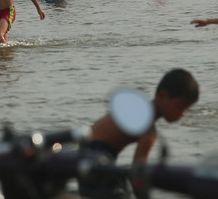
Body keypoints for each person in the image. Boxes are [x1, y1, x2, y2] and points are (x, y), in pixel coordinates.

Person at [78, 69, 199, 199]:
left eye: (186, 109)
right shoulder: (148, 130)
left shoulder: (136, 107)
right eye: (180, 106)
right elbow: (138, 174)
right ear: (162, 96)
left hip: (83, 155)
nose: (182, 114)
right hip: (98, 158)